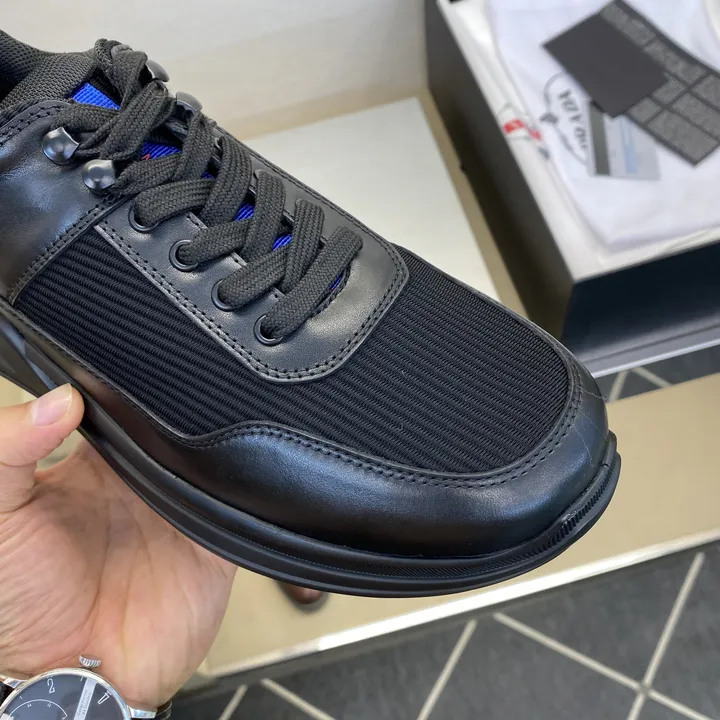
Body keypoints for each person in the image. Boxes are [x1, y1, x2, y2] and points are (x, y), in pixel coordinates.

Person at [0, 384, 324, 711]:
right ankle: (282, 516)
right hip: (162, 587)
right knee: (247, 484)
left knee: (137, 394)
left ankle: (280, 516)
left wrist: (28, 662)